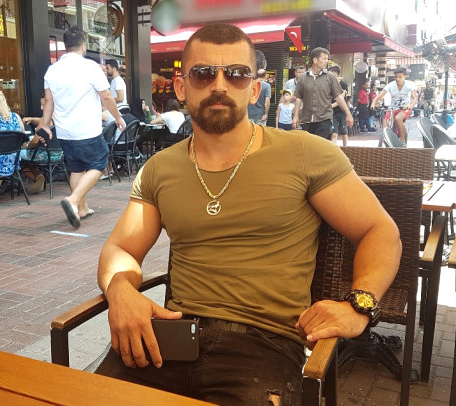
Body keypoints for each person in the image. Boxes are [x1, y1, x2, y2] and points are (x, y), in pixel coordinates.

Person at [95, 23, 401, 406]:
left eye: (237, 74)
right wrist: (120, 289)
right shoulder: (160, 168)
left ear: (254, 89)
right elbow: (121, 248)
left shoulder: (305, 153)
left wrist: (359, 305)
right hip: (170, 337)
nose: (220, 85)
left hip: (264, 346)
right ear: (180, 87)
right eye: (204, 73)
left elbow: (379, 230)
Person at [39, 27, 125, 228]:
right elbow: (106, 96)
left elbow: (48, 101)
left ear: (65, 46)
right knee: (99, 164)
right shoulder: (90, 67)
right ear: (83, 46)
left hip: (64, 131)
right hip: (87, 129)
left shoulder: (52, 70)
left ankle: (82, 208)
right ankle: (73, 200)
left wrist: (45, 125)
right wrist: (118, 117)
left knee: (77, 168)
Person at [292, 47, 353, 139]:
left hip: (324, 119)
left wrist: (348, 114)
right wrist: (296, 116)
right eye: (324, 58)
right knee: (309, 146)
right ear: (315, 60)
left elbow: (339, 97)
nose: (326, 61)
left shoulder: (330, 77)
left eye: (327, 59)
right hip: (306, 120)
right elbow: (298, 97)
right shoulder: (303, 77)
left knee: (320, 145)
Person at [371, 67, 417, 144]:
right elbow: (379, 96)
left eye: (400, 77)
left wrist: (410, 106)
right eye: (396, 77)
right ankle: (385, 138)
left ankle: (403, 140)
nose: (397, 79)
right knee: (385, 120)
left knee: (398, 118)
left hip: (405, 108)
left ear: (405, 76)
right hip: (392, 108)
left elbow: (415, 98)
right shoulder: (391, 85)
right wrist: (373, 103)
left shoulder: (410, 84)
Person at [328, 66, 350, 145]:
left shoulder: (343, 85)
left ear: (336, 74)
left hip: (342, 111)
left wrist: (330, 106)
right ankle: (334, 149)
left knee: (344, 132)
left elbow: (341, 99)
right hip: (332, 113)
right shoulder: (328, 84)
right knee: (334, 133)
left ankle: (345, 148)